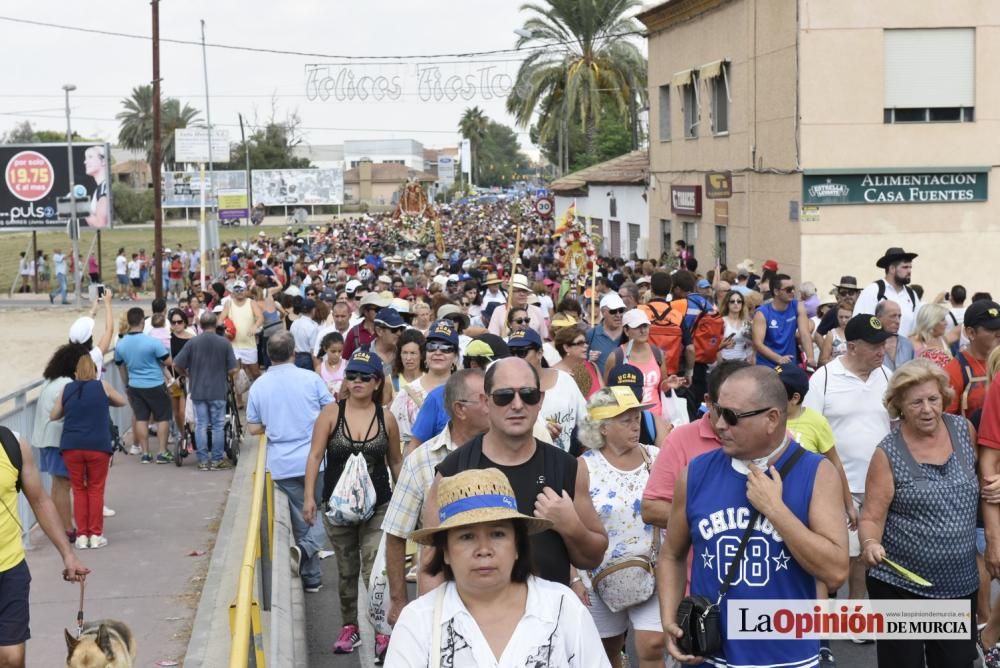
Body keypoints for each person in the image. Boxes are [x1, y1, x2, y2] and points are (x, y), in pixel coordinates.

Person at [658, 366, 849, 666]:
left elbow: (836, 572)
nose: (719, 424)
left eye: (732, 416)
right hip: (711, 657)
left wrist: (775, 510)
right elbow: (671, 555)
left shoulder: (816, 473)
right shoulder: (694, 473)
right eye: (717, 410)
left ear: (772, 419)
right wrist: (669, 619)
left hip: (789, 658)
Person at [386, 468, 609, 668]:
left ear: (517, 545)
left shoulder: (563, 609)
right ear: (445, 551)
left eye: (497, 534)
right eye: (466, 537)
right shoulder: (418, 622)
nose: (484, 549)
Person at [425, 357, 608, 586]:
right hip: (473, 616)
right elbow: (431, 566)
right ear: (486, 401)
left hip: (547, 618)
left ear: (540, 400)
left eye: (528, 394)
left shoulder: (567, 468)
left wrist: (571, 526)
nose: (518, 405)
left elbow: (593, 557)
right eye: (504, 396)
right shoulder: (454, 470)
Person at [860, 359, 979, 667]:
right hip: (901, 585)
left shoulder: (964, 430)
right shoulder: (888, 452)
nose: (927, 409)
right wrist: (871, 542)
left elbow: (984, 476)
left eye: (933, 399)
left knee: (955, 663)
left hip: (958, 583)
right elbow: (872, 516)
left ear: (944, 397)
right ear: (899, 405)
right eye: (916, 403)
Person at [303, 349, 402, 658]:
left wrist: (407, 502)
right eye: (352, 375)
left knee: (375, 570)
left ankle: (383, 632)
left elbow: (396, 463)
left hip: (379, 506)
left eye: (365, 377)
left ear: (377, 382)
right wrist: (309, 497)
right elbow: (315, 455)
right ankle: (350, 627)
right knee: (346, 570)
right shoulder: (331, 414)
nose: (357, 381)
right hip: (337, 507)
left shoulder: (386, 418)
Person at [383, 369, 491, 623]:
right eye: (485, 399)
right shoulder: (421, 462)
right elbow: (396, 533)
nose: (494, 406)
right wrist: (399, 600)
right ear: (460, 409)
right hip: (441, 595)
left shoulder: (508, 452)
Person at [802, 314, 891, 605]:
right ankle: (826, 608)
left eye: (884, 343)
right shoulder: (824, 379)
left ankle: (854, 610)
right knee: (842, 553)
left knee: (865, 554)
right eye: (874, 345)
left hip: (880, 484)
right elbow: (809, 432)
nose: (882, 350)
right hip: (839, 484)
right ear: (852, 347)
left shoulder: (889, 377)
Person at [576, 387, 665, 667]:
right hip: (601, 579)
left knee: (652, 645)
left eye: (637, 417)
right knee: (606, 651)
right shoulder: (584, 467)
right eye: (625, 419)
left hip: (653, 572)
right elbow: (576, 528)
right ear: (602, 427)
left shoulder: (656, 457)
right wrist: (575, 578)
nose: (635, 424)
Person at [247, 332, 333, 597]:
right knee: (315, 513)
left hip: (281, 463)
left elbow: (252, 428)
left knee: (301, 519)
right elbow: (331, 410)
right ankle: (310, 567)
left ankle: (311, 576)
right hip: (314, 458)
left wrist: (272, 424)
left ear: (268, 355)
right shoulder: (310, 379)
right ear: (294, 352)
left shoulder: (259, 385)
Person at [0, 426, 90, 668]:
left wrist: (67, 554)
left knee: (11, 659)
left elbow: (39, 499)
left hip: (9, 569)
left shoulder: (13, 444)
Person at [640, 361, 749, 527]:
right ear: (708, 401)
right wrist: (712, 520)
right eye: (724, 411)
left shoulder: (776, 438)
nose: (727, 422)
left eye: (744, 413)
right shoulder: (680, 440)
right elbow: (651, 509)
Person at [51, 355, 127, 548]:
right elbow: (122, 401)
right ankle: (96, 535)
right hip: (97, 445)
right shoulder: (102, 386)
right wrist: (105, 402)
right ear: (94, 371)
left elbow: (54, 415)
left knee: (78, 489)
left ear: (76, 372)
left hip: (72, 445)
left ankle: (81, 536)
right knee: (95, 489)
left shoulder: (67, 389)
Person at [32, 343, 87, 542]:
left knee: (57, 484)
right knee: (63, 484)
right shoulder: (66, 385)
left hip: (45, 438)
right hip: (56, 440)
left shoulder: (52, 380)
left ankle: (61, 526)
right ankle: (67, 528)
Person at [173, 311, 239, 470]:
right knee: (218, 425)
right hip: (217, 390)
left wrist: (186, 373)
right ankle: (216, 460)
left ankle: (202, 461)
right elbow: (233, 369)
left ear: (201, 325)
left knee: (200, 424)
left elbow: (177, 364)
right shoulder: (224, 343)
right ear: (216, 324)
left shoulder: (192, 342)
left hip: (198, 390)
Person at [508, 328, 587, 454]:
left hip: (565, 461)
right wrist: (540, 435)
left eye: (521, 352)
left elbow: (586, 421)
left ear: (539, 353)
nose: (515, 358)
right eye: (511, 353)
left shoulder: (565, 380)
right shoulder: (505, 389)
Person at [114, 307, 173, 464]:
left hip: (135, 384)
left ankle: (145, 453)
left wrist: (126, 384)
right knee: (162, 417)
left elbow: (120, 366)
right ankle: (162, 451)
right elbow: (168, 361)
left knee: (141, 418)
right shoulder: (152, 342)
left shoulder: (121, 345)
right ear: (142, 321)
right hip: (155, 383)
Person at [391, 321, 457, 450]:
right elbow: (395, 445)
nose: (438, 352)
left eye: (446, 348)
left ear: (455, 357)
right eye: (432, 347)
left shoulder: (465, 391)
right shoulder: (407, 394)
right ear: (425, 355)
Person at [945, 300, 1000, 419]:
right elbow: (947, 421)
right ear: (971, 333)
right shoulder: (954, 371)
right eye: (992, 328)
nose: (998, 333)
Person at [854, 246, 921, 337]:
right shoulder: (874, 291)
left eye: (910, 267)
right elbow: (860, 324)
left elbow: (916, 329)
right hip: (878, 349)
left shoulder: (912, 295)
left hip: (904, 349)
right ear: (892, 269)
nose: (909, 271)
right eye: (905, 267)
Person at [752, 273, 812, 368]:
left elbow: (805, 334)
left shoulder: (798, 306)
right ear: (776, 291)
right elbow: (758, 343)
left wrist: (810, 357)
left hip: (788, 363)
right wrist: (779, 358)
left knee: (799, 381)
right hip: (768, 365)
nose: (792, 292)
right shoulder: (762, 313)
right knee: (775, 380)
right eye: (788, 290)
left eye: (793, 288)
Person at [220, 279, 264, 382]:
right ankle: (239, 398)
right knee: (236, 376)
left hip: (249, 345)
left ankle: (257, 394)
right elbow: (220, 319)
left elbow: (260, 317)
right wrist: (225, 329)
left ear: (246, 291)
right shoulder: (228, 303)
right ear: (233, 292)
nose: (239, 292)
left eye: (241, 290)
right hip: (234, 345)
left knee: (255, 373)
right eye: (237, 290)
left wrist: (255, 326)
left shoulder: (251, 303)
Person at [487, 274, 549, 340]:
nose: (522, 294)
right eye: (518, 291)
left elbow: (544, 338)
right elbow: (492, 338)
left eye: (524, 291)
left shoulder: (537, 311)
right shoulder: (499, 311)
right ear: (509, 292)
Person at [166, 308, 194, 451]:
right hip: (172, 379)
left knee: (184, 411)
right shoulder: (168, 340)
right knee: (176, 412)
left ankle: (187, 437)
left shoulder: (191, 338)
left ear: (184, 322)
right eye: (173, 322)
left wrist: (185, 375)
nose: (176, 325)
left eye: (179, 322)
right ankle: (183, 435)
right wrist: (170, 378)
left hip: (186, 378)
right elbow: (163, 361)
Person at [552, 325, 603, 400]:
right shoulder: (553, 374)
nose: (586, 346)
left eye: (586, 342)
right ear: (566, 348)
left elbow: (605, 395)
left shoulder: (592, 366)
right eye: (580, 343)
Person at [910, 302, 960, 368]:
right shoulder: (911, 342)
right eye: (942, 320)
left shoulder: (943, 340)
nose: (946, 323)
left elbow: (963, 328)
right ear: (932, 322)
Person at [587, 292, 627, 373]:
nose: (618, 315)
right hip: (601, 385)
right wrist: (588, 359)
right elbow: (580, 362)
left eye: (621, 310)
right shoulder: (591, 334)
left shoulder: (629, 333)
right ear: (603, 312)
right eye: (613, 311)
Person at [876, 299, 915, 371]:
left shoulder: (907, 344)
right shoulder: (869, 344)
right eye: (892, 316)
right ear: (878, 317)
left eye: (899, 316)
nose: (898, 321)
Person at [718, 289, 754, 363]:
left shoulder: (747, 323)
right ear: (727, 304)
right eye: (732, 301)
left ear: (742, 304)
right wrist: (720, 363)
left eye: (739, 301)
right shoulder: (721, 321)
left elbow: (752, 345)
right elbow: (714, 346)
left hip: (742, 362)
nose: (736, 303)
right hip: (725, 362)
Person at [818, 299, 852, 366]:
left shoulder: (858, 333)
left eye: (847, 317)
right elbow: (823, 360)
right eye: (841, 317)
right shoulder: (831, 334)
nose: (843, 320)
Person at [83, 145, 109, 229]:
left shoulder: (104, 188)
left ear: (103, 161)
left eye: (90, 157)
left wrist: (80, 208)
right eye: (86, 158)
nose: (85, 162)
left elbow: (100, 224)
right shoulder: (100, 188)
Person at [289, 297, 319, 370]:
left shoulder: (294, 323)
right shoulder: (313, 326)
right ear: (313, 310)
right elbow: (313, 349)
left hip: (295, 357)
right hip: (307, 359)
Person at [316, 331, 347, 399]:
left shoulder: (346, 365)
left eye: (340, 351)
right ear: (325, 349)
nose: (337, 355)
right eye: (333, 351)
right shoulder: (320, 369)